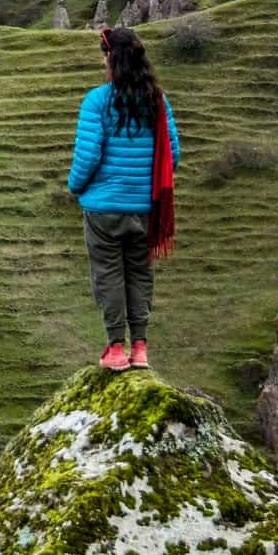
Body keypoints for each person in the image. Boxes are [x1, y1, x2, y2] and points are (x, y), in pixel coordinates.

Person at [66, 26, 179, 372]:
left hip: (103, 208)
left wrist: (75, 186)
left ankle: (116, 348)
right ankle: (141, 348)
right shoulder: (157, 101)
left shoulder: (98, 100)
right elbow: (172, 152)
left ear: (110, 59)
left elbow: (88, 155)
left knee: (109, 275)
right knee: (140, 274)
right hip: (144, 208)